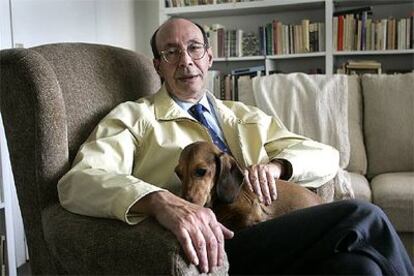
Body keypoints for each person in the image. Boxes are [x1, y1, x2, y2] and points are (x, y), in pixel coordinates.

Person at [58, 18, 413, 275]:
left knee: (359, 266)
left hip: (271, 228)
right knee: (364, 215)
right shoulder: (134, 117)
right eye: (171, 52)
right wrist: (158, 200)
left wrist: (277, 166)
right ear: (158, 67)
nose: (185, 60)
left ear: (209, 58)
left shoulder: (244, 115)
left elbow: (326, 155)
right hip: (219, 241)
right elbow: (80, 181)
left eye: (194, 48)